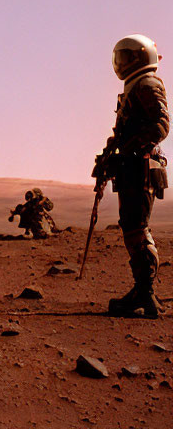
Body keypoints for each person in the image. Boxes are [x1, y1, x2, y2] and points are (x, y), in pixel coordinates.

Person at [92, 34, 169, 318]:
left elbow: (160, 125)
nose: (121, 63)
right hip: (132, 166)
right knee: (132, 226)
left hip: (140, 167)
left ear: (140, 56)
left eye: (126, 57)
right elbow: (124, 131)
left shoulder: (147, 84)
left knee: (137, 228)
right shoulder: (135, 86)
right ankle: (143, 291)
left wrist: (128, 149)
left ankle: (145, 293)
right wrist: (109, 156)